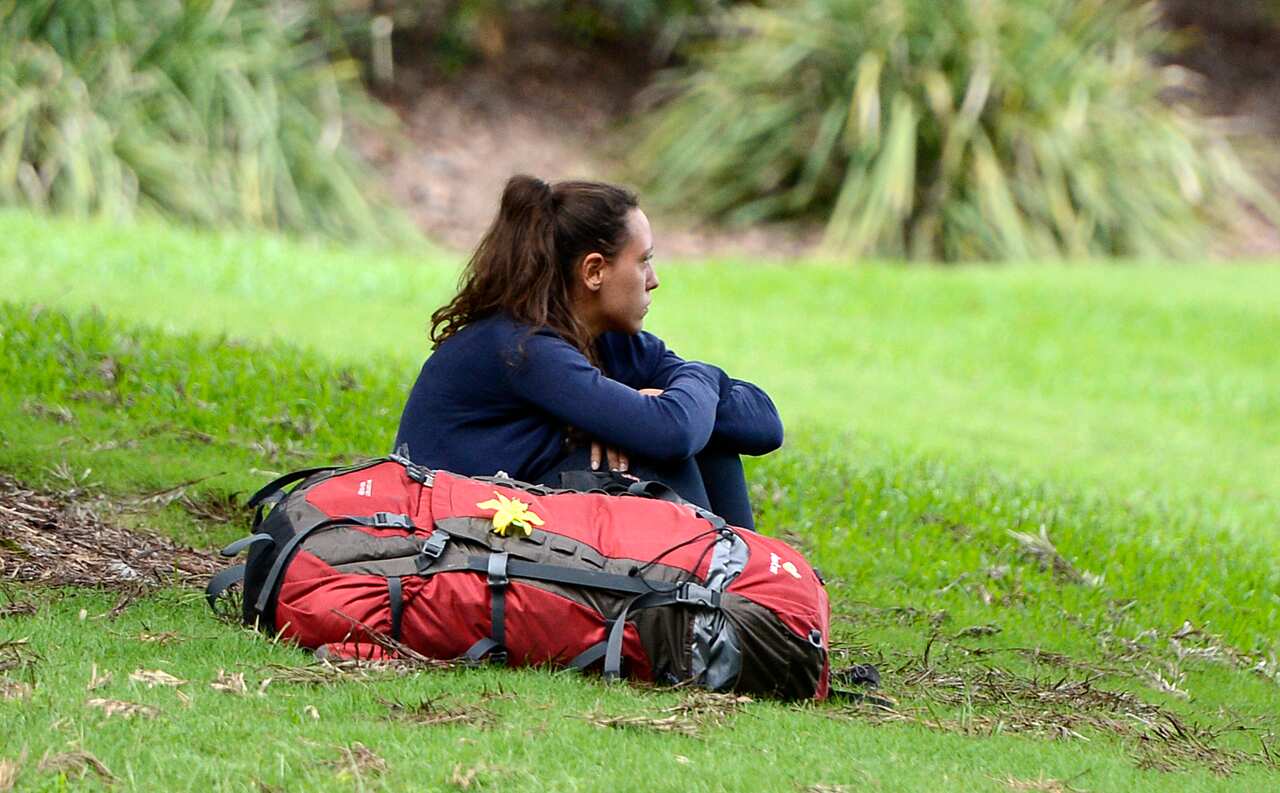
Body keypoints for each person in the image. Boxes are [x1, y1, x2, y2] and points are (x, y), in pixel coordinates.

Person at [394, 175, 782, 528]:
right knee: (662, 450)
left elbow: (764, 426)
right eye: (643, 260)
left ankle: (738, 583)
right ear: (594, 271)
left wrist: (695, 384)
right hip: (450, 542)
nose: (654, 280)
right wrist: (690, 390)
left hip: (515, 525)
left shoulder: (610, 342)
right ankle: (718, 588)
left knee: (708, 437)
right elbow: (672, 434)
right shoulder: (521, 347)